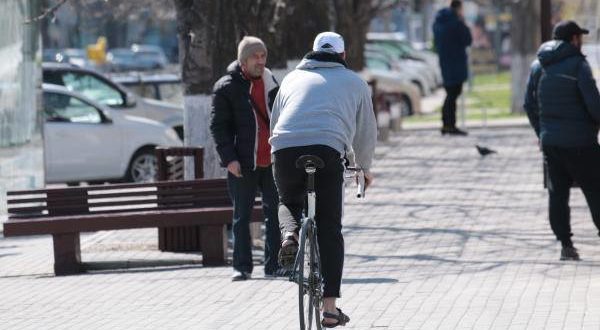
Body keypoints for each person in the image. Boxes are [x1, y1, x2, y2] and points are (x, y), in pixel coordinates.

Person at [270, 31, 377, 328]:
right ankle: (330, 310)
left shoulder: (291, 79)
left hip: (285, 148)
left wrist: (277, 153)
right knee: (330, 227)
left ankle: (289, 235)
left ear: (312, 53)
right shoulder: (355, 83)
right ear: (343, 56)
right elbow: (366, 132)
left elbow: (275, 120)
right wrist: (364, 168)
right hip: (328, 149)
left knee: (288, 200)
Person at [524, 20, 600, 261]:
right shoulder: (579, 65)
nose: (582, 42)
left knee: (558, 194)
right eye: (580, 37)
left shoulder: (538, 66)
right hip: (581, 143)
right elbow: (594, 104)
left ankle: (566, 245)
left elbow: (529, 104)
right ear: (573, 39)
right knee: (595, 190)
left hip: (551, 144)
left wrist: (541, 132)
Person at [210, 36, 282, 281]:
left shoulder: (272, 82)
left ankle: (274, 265)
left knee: (275, 214)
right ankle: (242, 267)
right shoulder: (226, 87)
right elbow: (219, 127)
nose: (260, 61)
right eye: (255, 57)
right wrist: (229, 159)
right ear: (243, 60)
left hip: (271, 161)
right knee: (242, 216)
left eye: (263, 56)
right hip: (242, 163)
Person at [432, 0, 472, 136]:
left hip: (445, 62)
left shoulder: (438, 22)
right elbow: (468, 39)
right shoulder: (456, 22)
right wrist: (463, 22)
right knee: (453, 93)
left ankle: (447, 123)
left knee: (450, 93)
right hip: (456, 62)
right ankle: (449, 125)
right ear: (458, 8)